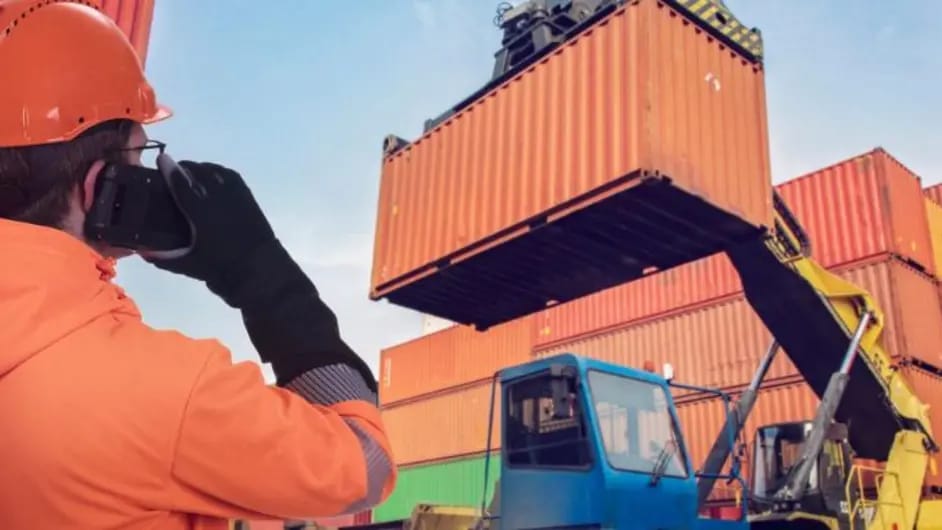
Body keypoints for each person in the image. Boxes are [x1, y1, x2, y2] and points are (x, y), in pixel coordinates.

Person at [0, 1, 396, 528]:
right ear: (101, 190)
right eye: (140, 157)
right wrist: (259, 270)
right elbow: (364, 467)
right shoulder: (169, 393)